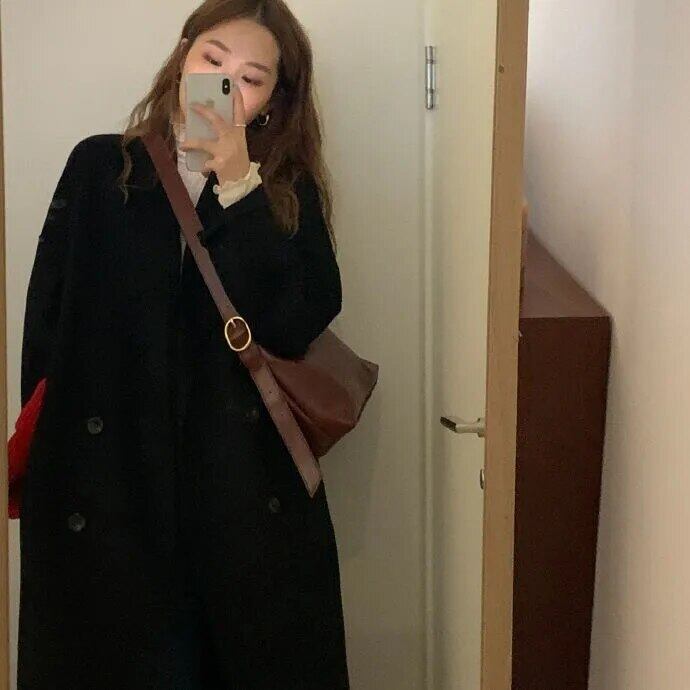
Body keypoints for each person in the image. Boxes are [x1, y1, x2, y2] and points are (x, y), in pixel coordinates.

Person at [17, 1, 350, 688]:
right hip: (111, 488)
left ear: (272, 101)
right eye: (213, 61)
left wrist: (240, 186)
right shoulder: (101, 167)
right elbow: (48, 326)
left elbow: (296, 321)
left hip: (237, 498)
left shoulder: (284, 191)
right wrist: (56, 467)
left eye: (251, 78)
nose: (227, 86)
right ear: (183, 57)